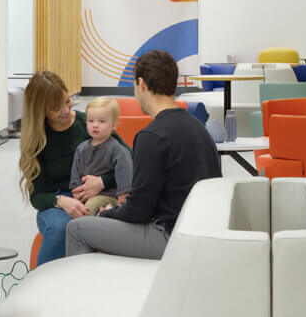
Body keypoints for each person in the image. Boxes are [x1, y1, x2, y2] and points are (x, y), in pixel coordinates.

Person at [65, 50, 221, 260]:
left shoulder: (151, 136)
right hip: (202, 232)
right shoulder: (198, 127)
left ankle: (80, 292)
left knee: (76, 229)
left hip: (170, 236)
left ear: (142, 84)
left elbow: (138, 211)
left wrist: (108, 212)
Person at [18, 71, 120, 264]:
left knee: (95, 226)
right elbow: (37, 197)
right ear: (42, 112)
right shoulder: (37, 140)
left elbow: (128, 161)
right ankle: (41, 289)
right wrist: (61, 201)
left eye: (67, 101)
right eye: (57, 108)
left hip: (98, 197)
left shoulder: (89, 124)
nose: (66, 110)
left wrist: (101, 181)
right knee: (61, 228)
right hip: (56, 205)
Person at [70, 97, 132, 216]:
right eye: (91, 121)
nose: (95, 125)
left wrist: (123, 195)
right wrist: (77, 192)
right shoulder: (81, 149)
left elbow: (125, 173)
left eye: (101, 121)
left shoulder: (117, 149)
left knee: (88, 209)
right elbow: (75, 174)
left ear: (113, 125)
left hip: (109, 195)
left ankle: (85, 233)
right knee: (76, 209)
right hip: (85, 194)